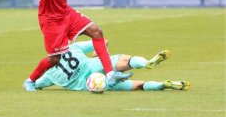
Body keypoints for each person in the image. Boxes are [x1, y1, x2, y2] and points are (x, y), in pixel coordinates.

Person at [34, 40, 191, 92]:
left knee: (138, 86)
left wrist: (35, 81)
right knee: (125, 60)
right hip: (95, 65)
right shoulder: (72, 47)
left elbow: (36, 85)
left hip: (93, 85)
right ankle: (146, 62)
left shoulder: (50, 75)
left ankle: (163, 85)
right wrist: (98, 52)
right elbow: (103, 41)